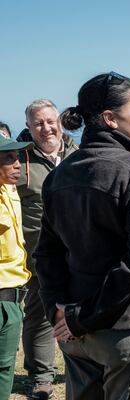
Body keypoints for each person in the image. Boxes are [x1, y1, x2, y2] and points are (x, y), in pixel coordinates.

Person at [34, 72, 130, 400]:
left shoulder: (59, 176)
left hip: (80, 339)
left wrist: (59, 311)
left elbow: (47, 255)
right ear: (111, 119)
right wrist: (78, 318)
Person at [15, 99, 78, 400]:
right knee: (40, 317)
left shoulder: (78, 155)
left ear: (60, 121)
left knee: (80, 311)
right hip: (37, 254)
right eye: (38, 123)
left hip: (79, 252)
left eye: (50, 120)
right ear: (28, 127)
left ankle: (80, 367)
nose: (46, 127)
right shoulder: (19, 161)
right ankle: (41, 377)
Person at [0, 135, 33, 399]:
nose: (17, 165)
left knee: (5, 367)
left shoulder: (9, 190)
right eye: (8, 159)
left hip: (13, 297)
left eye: (18, 158)